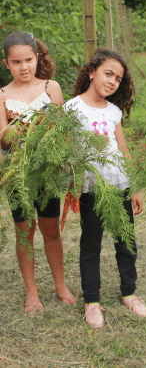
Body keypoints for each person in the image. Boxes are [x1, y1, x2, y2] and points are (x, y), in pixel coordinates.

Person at [65, 49, 146, 329]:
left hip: (119, 185)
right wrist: (72, 185)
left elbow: (122, 149)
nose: (112, 82)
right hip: (91, 188)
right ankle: (91, 302)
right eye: (108, 74)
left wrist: (133, 186)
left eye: (118, 79)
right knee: (91, 244)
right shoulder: (73, 108)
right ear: (92, 72)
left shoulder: (114, 111)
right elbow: (67, 152)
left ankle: (129, 293)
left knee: (126, 241)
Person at [0, 31, 76, 313]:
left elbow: (62, 129)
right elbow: (3, 137)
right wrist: (19, 132)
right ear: (6, 63)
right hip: (18, 172)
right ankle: (31, 291)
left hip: (48, 171)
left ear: (37, 58)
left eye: (28, 60)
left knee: (50, 228)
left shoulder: (50, 88)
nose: (23, 67)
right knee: (24, 230)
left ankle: (60, 285)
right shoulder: (3, 94)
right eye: (16, 61)